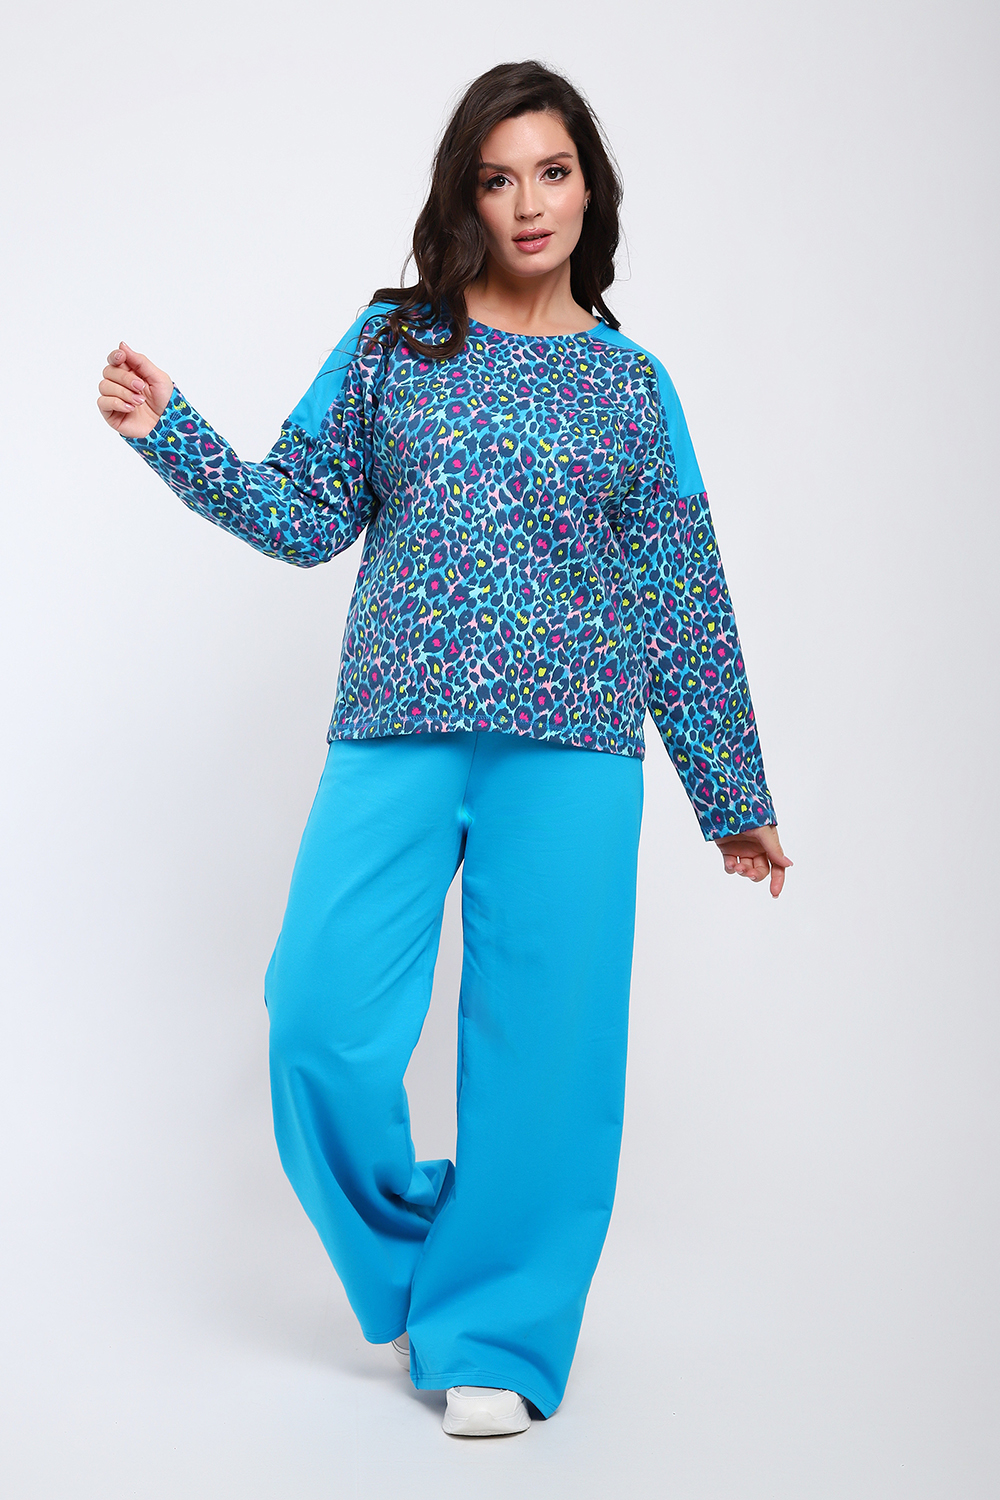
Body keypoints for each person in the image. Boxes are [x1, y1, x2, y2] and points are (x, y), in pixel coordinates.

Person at [97, 59, 791, 1438]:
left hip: (575, 751)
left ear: (590, 191)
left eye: (553, 172)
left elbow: (682, 596)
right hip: (395, 734)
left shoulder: (633, 387)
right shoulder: (394, 345)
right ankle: (439, 1264)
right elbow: (303, 515)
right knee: (316, 1020)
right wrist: (172, 434)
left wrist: (733, 793)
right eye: (497, 177)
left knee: (548, 1062)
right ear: (462, 196)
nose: (528, 203)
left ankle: (502, 1335)